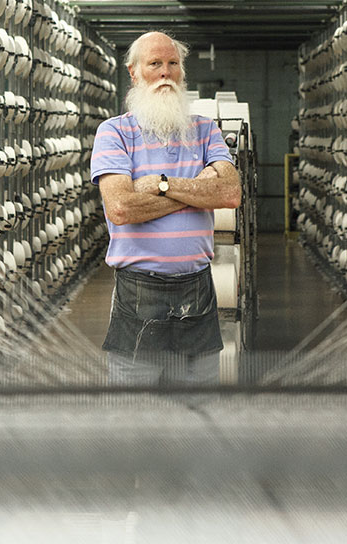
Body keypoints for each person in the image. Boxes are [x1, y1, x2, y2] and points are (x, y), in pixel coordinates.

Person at [89, 30, 242, 385]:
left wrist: (161, 185)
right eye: (155, 64)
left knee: (199, 404)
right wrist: (197, 189)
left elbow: (231, 194)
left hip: (198, 289)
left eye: (173, 64)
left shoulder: (205, 131)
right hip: (139, 291)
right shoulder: (114, 133)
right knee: (134, 407)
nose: (165, 73)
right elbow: (122, 208)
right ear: (134, 72)